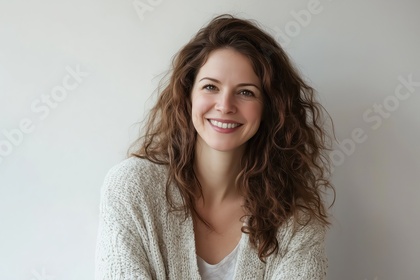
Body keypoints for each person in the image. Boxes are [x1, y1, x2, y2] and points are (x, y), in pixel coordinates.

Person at [95, 14, 335, 279]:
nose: (225, 105)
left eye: (246, 92)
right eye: (211, 87)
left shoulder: (294, 219)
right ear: (188, 96)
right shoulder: (132, 187)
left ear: (270, 108)